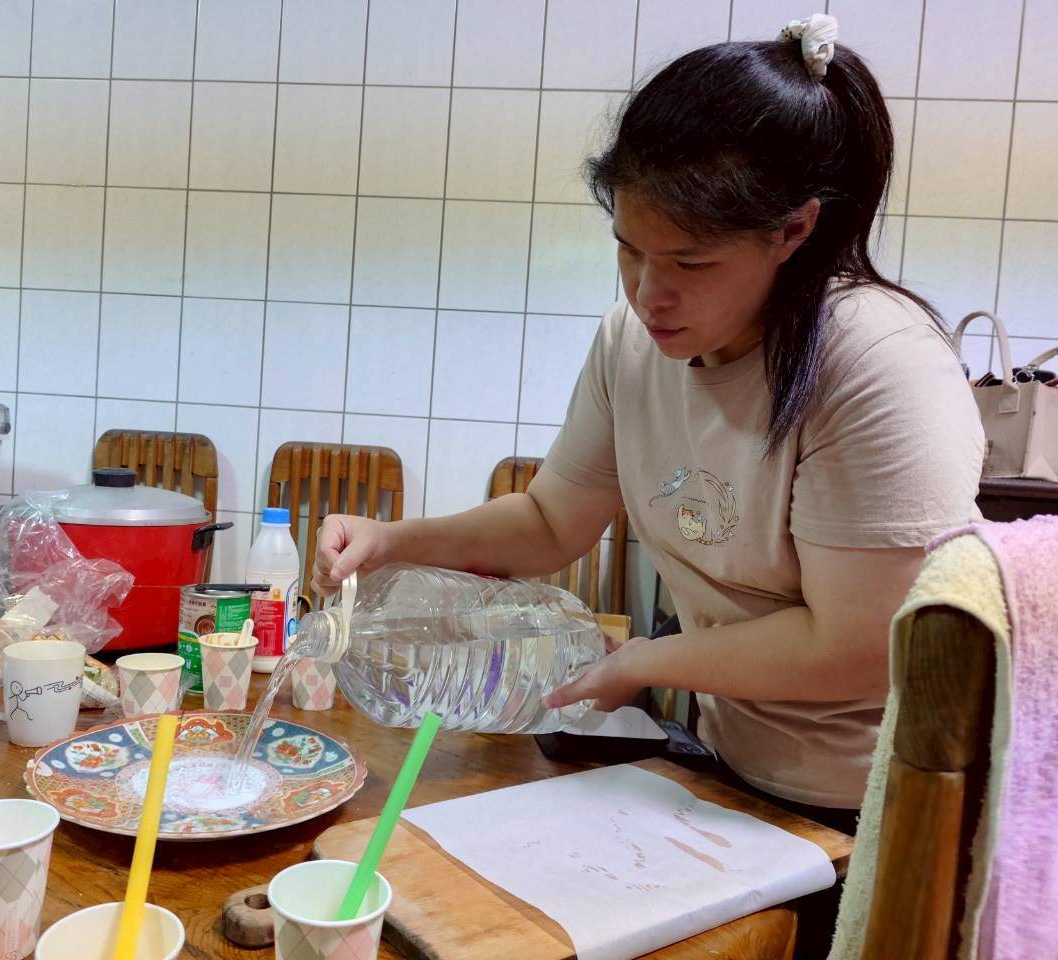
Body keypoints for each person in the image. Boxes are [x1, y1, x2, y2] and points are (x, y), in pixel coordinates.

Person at [316, 13, 981, 835]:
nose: (647, 294)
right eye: (630, 250)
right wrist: (394, 541)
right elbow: (551, 521)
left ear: (793, 229)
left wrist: (642, 661)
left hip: (891, 804)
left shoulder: (878, 364)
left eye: (690, 262)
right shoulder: (631, 344)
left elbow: (858, 646)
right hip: (734, 773)